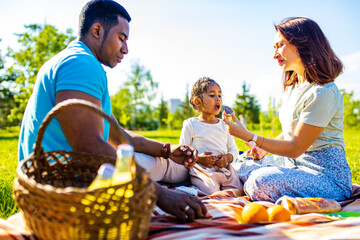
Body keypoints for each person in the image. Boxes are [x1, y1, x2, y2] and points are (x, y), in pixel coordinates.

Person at [18, 0, 207, 222]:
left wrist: (167, 149)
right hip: (63, 196)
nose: (126, 49)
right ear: (97, 30)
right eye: (121, 38)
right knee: (152, 176)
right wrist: (160, 195)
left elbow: (120, 137)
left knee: (155, 162)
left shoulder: (73, 60)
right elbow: (89, 146)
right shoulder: (81, 64)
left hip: (52, 187)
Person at [223, 17, 352, 202]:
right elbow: (292, 131)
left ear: (304, 44)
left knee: (257, 182)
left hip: (326, 176)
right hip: (294, 166)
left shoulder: (323, 93)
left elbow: (295, 148)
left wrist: (250, 137)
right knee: (239, 168)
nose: (275, 54)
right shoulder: (294, 86)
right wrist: (263, 150)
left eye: (280, 45)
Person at [179, 77, 243, 195]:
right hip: (202, 170)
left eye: (220, 95)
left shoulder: (224, 125)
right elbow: (182, 151)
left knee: (239, 190)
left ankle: (223, 195)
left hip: (224, 169)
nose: (218, 99)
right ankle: (188, 190)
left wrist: (227, 158)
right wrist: (199, 159)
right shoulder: (191, 124)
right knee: (210, 191)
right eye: (212, 95)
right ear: (197, 101)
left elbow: (234, 150)